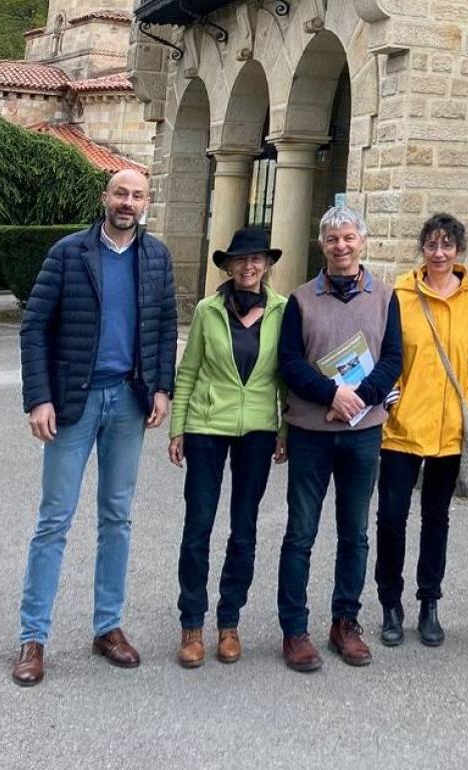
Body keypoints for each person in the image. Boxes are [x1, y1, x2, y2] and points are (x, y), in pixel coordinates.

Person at [12, 169, 177, 686]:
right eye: (120, 193)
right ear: (105, 198)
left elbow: (166, 327)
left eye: (137, 195)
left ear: (147, 202)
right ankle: (33, 636)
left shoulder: (157, 257)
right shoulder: (68, 253)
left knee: (117, 518)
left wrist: (161, 387)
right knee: (54, 520)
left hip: (128, 403)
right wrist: (39, 397)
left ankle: (108, 627)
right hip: (73, 404)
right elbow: (35, 326)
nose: (128, 202)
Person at [276, 206, 402, 672]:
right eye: (332, 240)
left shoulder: (386, 298)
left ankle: (345, 622)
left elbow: (393, 358)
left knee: (355, 534)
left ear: (362, 242)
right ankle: (295, 629)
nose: (341, 247)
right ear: (322, 246)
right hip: (312, 433)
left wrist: (358, 400)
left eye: (349, 238)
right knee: (300, 534)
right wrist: (331, 394)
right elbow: (289, 362)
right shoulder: (301, 299)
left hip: (363, 434)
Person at [169, 227, 289, 668]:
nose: (249, 266)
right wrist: (177, 426)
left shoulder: (281, 310)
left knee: (245, 527)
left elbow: (283, 376)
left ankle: (229, 620)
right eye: (240, 260)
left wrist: (284, 430)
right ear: (228, 266)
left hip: (257, 428)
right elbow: (189, 369)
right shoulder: (208, 310)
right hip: (206, 424)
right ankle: (192, 623)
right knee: (198, 523)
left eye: (256, 259)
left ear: (267, 265)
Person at [374, 213, 468, 648]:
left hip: (449, 431)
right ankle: (389, 602)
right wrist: (391, 396)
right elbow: (385, 351)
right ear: (421, 249)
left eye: (447, 246)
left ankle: (429, 602)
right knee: (390, 517)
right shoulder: (399, 295)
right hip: (402, 427)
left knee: (436, 519)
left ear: (459, 250)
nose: (439, 254)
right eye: (431, 245)